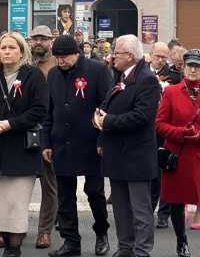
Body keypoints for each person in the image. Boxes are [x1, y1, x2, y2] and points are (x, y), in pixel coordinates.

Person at [0, 32, 49, 257]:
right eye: (3, 48)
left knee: (16, 204)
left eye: (12, 48)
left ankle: (13, 249)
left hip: (21, 149)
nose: (7, 52)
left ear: (21, 51)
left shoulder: (33, 76)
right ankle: (8, 243)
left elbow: (39, 110)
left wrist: (10, 124)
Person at [43, 35, 112, 257]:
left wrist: (102, 139)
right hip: (62, 142)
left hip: (91, 142)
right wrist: (46, 142)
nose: (60, 61)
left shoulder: (97, 71)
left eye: (65, 57)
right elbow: (49, 111)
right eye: (57, 57)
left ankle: (102, 232)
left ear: (76, 53)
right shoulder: (53, 75)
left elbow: (107, 107)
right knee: (65, 196)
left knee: (94, 192)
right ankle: (71, 241)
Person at [94, 34, 161, 257]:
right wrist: (98, 119)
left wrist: (108, 121)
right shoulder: (120, 76)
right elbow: (107, 106)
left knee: (140, 211)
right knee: (121, 209)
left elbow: (142, 116)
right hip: (117, 154)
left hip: (136, 156)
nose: (112, 57)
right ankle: (125, 248)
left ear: (130, 56)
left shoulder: (146, 79)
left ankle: (141, 251)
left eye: (117, 53)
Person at [155, 49, 200, 257]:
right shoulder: (171, 92)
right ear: (184, 67)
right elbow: (160, 125)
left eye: (197, 66)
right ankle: (181, 242)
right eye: (190, 65)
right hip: (178, 155)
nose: (193, 69)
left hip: (198, 155)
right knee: (176, 200)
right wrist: (182, 133)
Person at [147, 42, 181, 229]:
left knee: (166, 171)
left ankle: (164, 213)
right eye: (157, 55)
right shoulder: (141, 72)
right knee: (150, 171)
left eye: (163, 57)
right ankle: (148, 209)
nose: (160, 60)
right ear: (150, 54)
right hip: (146, 128)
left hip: (167, 128)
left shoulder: (175, 77)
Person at [29, 26, 58, 249]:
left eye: (43, 39)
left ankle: (44, 231)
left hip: (50, 132)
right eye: (35, 38)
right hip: (26, 130)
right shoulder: (26, 65)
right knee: (19, 183)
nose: (39, 42)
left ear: (51, 41)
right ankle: (12, 229)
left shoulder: (58, 65)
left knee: (49, 185)